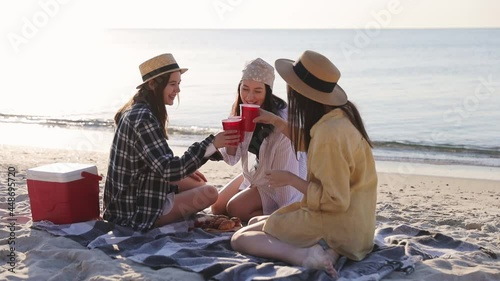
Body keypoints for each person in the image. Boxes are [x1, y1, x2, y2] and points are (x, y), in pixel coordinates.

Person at [230, 50, 378, 277]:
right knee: (256, 219)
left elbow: (334, 201)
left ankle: (306, 256)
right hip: (360, 228)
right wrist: (276, 121)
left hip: (337, 225)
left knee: (240, 238)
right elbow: (312, 144)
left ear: (301, 93)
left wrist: (291, 180)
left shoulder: (328, 134)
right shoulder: (341, 119)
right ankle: (332, 251)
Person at [103, 53, 238, 231]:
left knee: (197, 183)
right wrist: (212, 144)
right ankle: (163, 218)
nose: (177, 90)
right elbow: (168, 170)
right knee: (210, 193)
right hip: (133, 211)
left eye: (178, 84)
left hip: (131, 193)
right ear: (153, 84)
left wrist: (187, 169)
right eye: (172, 84)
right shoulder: (143, 118)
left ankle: (174, 208)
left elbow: (158, 161)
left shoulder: (136, 109)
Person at [211, 58, 306, 222]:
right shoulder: (240, 111)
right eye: (245, 89)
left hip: (282, 177)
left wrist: (274, 121)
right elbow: (232, 159)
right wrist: (230, 139)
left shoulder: (282, 116)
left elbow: (303, 144)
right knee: (217, 206)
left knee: (235, 208)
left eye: (257, 91)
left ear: (267, 91)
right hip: (257, 172)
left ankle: (280, 220)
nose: (249, 97)